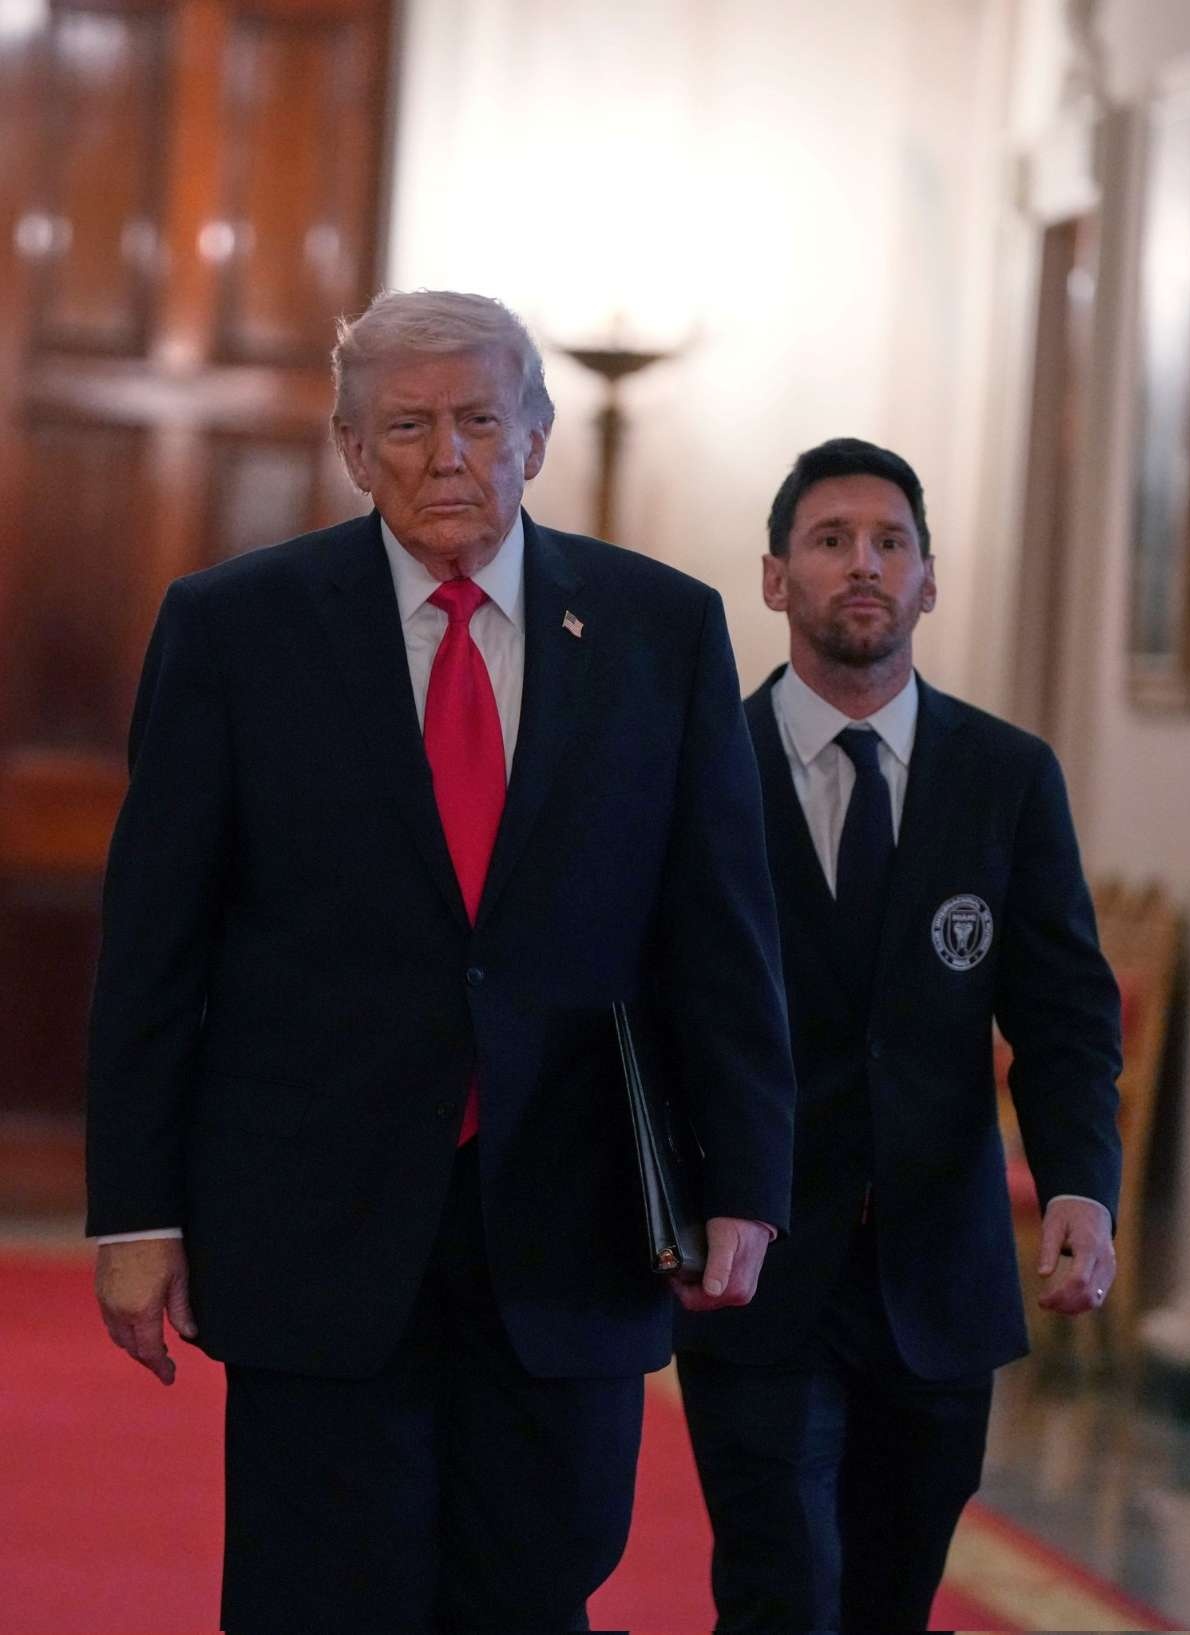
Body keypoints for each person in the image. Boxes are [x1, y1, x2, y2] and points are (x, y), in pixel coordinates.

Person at [86, 290, 796, 1635]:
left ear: (536, 437)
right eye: (407, 427)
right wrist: (136, 1213)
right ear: (353, 451)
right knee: (316, 1601)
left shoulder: (661, 628)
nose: (448, 455)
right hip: (312, 1220)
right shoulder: (236, 628)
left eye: (479, 419)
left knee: (533, 1591)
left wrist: (749, 1177)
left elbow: (721, 930)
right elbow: (154, 951)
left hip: (577, 1216)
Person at [675, 437, 1123, 1633]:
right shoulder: (702, 769)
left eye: (890, 543)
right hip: (758, 1268)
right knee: (780, 1593)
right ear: (776, 578)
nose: (863, 564)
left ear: (931, 581)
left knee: (889, 1603)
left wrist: (1081, 1184)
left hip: (938, 1277)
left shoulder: (1006, 776)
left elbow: (1064, 1014)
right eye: (831, 541)